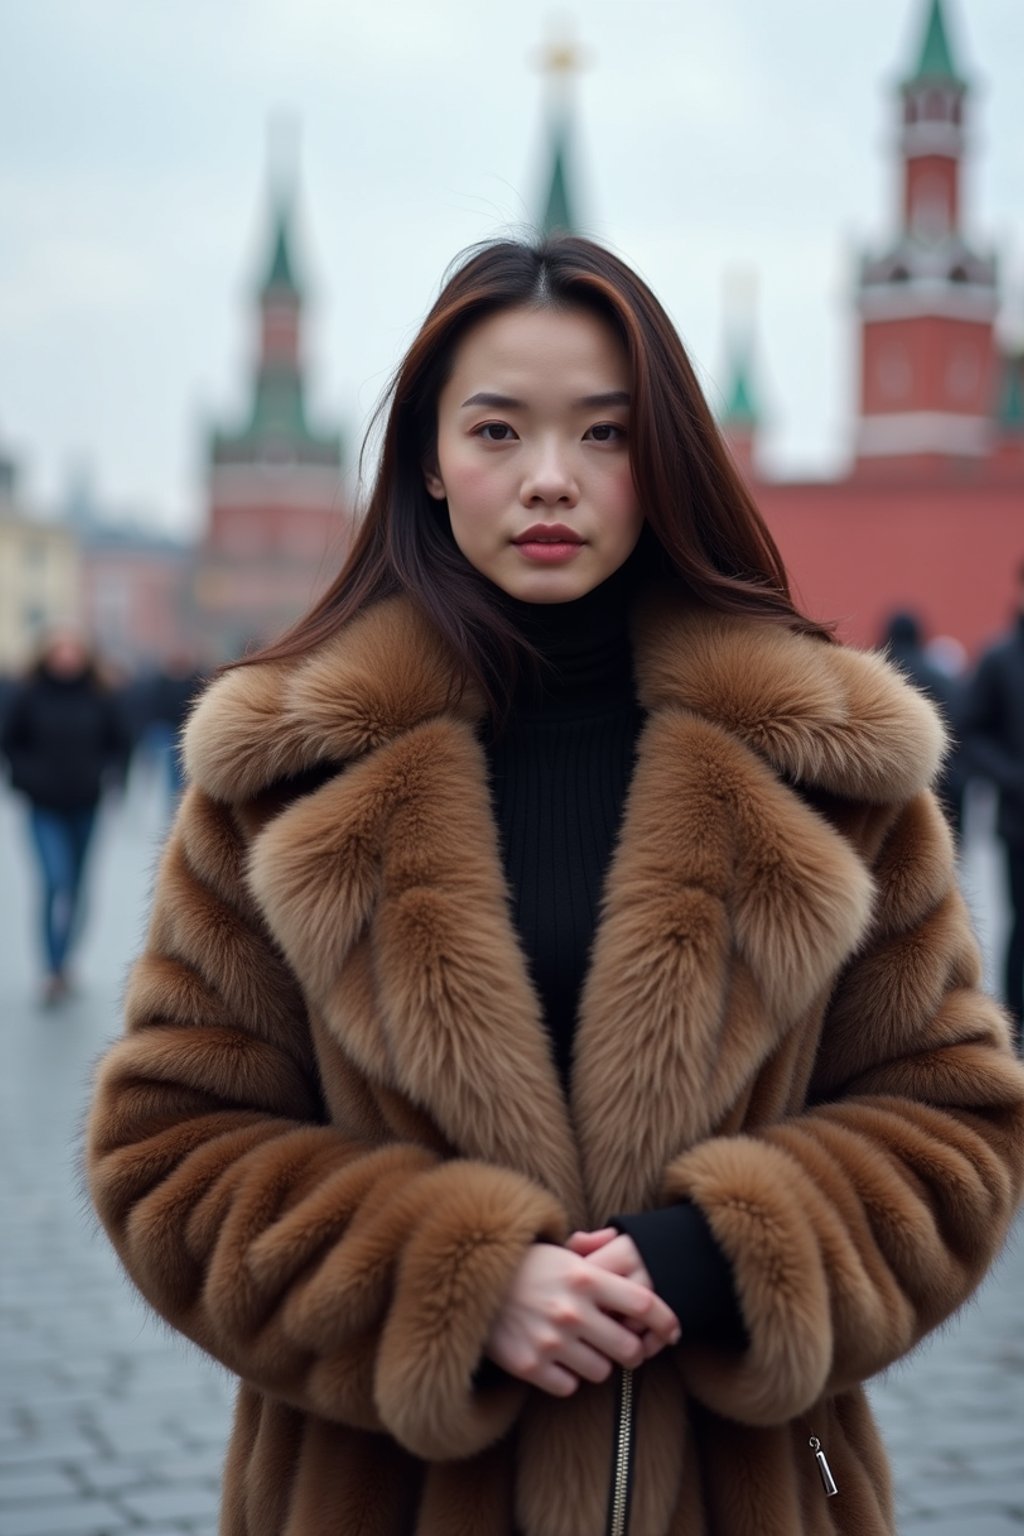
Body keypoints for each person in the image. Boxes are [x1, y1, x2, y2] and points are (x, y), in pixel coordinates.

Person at [86, 238, 1024, 1536]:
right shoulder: (288, 779)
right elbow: (169, 1152)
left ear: (672, 458)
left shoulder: (828, 771)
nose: (548, 479)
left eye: (604, 433)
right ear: (425, 455)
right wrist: (451, 1282)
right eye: (496, 429)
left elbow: (953, 1122)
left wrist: (724, 1258)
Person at [1, 628, 127, 1003]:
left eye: (74, 650)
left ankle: (67, 956)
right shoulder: (29, 695)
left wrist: (110, 776)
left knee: (77, 885)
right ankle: (51, 966)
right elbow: (10, 741)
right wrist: (25, 777)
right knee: (54, 881)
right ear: (48, 654)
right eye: (61, 650)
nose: (67, 657)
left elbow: (120, 741)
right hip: (43, 805)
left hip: (86, 802)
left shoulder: (100, 696)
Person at [962, 564, 1024, 1045]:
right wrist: (1012, 776)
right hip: (1020, 822)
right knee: (1022, 925)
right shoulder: (1000, 661)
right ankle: (1018, 1027)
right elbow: (969, 733)